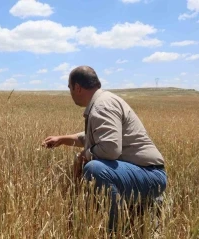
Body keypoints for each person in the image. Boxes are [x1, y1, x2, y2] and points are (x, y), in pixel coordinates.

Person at [42, 66, 167, 232]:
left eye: (69, 88)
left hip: (149, 175)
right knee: (95, 166)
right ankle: (130, 217)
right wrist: (62, 139)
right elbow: (96, 139)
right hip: (140, 173)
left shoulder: (102, 106)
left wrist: (83, 156)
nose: (70, 92)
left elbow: (110, 149)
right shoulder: (102, 101)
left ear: (77, 87)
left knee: (95, 169)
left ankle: (114, 231)